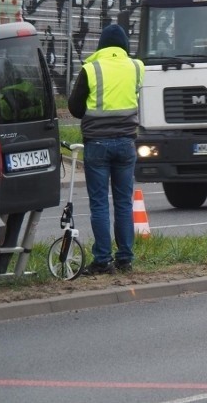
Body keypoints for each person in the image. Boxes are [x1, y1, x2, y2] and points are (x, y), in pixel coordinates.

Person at [68, 24, 144, 274]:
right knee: (124, 202)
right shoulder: (136, 67)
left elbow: (75, 108)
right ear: (124, 46)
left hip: (97, 144)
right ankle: (126, 259)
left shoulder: (91, 69)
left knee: (99, 204)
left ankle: (102, 260)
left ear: (101, 46)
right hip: (126, 143)